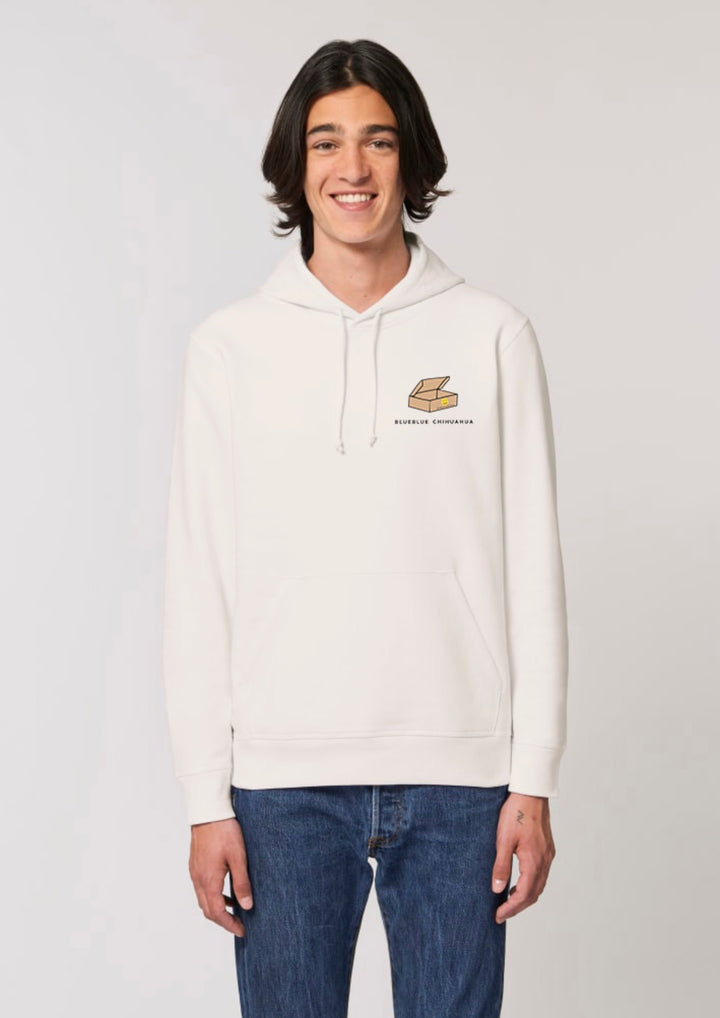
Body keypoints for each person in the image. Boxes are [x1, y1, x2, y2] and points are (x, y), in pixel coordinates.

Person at [161, 38, 569, 1018]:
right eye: (327, 142)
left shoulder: (491, 334)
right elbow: (200, 580)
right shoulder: (230, 349)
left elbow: (534, 568)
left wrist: (534, 777)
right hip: (282, 787)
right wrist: (205, 797)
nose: (353, 167)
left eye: (379, 141)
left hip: (463, 782)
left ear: (410, 159)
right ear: (296, 165)